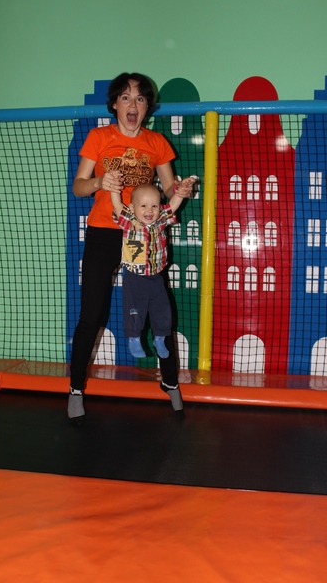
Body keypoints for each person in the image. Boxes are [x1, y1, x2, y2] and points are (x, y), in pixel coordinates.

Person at [68, 72, 192, 425]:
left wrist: (180, 190)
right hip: (105, 232)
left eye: (139, 98)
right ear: (114, 105)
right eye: (125, 97)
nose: (133, 104)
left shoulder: (156, 142)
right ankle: (75, 389)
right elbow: (78, 186)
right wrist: (99, 181)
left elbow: (168, 188)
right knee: (92, 313)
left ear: (147, 106)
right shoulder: (99, 137)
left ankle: (170, 381)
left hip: (142, 238)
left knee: (159, 309)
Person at [110, 179, 196, 360]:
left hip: (156, 276)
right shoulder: (129, 222)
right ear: (132, 208)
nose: (149, 210)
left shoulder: (161, 220)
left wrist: (180, 192)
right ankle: (134, 338)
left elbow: (173, 205)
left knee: (162, 309)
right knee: (135, 309)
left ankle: (160, 338)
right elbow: (117, 205)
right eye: (143, 206)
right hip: (135, 277)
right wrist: (114, 188)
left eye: (154, 206)